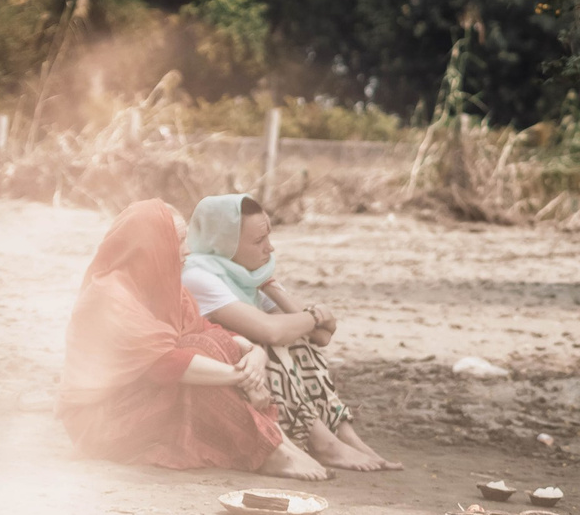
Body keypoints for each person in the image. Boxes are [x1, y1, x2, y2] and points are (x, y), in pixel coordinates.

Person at [56, 200, 326, 480]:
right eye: (179, 241)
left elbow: (204, 327)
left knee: (210, 343)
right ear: (151, 245)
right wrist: (244, 377)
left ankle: (275, 442)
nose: (187, 250)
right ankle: (270, 448)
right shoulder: (109, 295)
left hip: (140, 397)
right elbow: (165, 363)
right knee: (200, 353)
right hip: (102, 421)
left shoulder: (161, 285)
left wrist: (254, 351)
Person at [181, 194, 399, 473]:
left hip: (261, 380)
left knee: (292, 337)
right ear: (223, 243)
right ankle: (322, 442)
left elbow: (316, 337)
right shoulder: (198, 275)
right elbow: (272, 331)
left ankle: (344, 436)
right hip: (228, 379)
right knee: (277, 341)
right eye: (258, 241)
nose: (269, 249)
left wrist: (272, 288)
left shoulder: (247, 273)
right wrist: (315, 315)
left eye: (268, 237)